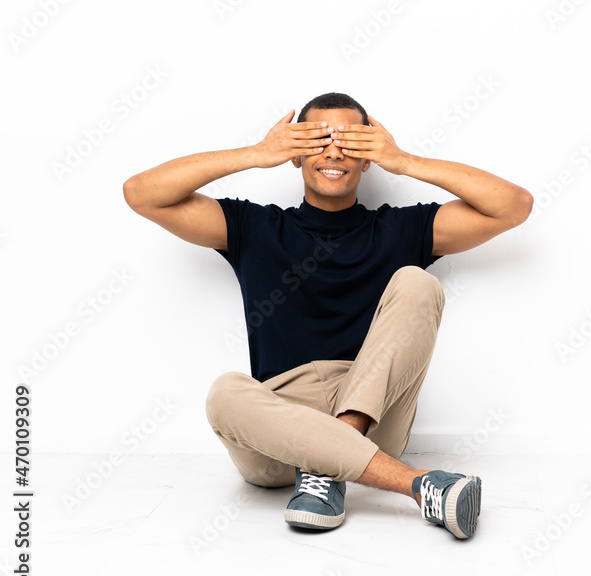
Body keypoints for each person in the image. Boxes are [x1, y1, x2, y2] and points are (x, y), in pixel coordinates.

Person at [122, 92, 532, 539]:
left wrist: (405, 161)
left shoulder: (401, 230)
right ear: (296, 155)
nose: (334, 152)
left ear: (368, 157)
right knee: (225, 393)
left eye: (350, 142)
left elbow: (514, 205)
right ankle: (418, 485)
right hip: (276, 435)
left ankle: (330, 461)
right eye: (318, 140)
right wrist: (256, 154)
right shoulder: (253, 227)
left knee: (419, 282)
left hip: (372, 422)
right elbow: (141, 194)